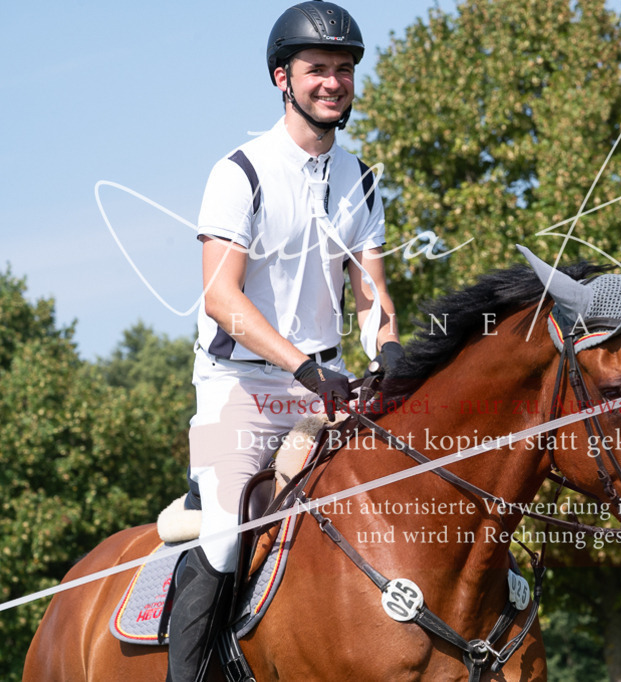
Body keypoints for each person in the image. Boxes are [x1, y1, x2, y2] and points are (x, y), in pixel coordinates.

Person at [166, 2, 402, 680]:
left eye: (344, 70)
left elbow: (369, 292)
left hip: (324, 386)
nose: (333, 82)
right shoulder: (238, 171)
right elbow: (220, 297)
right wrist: (303, 367)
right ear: (282, 78)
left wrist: (386, 349)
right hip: (233, 389)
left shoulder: (360, 179)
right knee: (223, 533)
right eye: (317, 69)